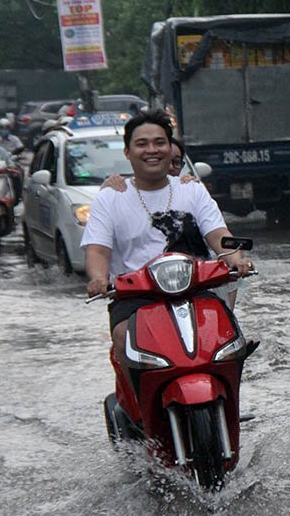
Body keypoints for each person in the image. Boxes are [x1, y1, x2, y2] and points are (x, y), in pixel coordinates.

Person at [81, 109, 254, 375]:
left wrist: (236, 261)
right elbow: (97, 250)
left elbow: (220, 236)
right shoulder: (110, 197)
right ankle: (142, 411)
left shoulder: (192, 190)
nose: (152, 150)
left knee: (228, 336)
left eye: (159, 142)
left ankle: (228, 406)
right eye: (142, 144)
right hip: (135, 296)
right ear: (127, 152)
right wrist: (97, 278)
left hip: (195, 289)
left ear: (169, 147)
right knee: (123, 335)